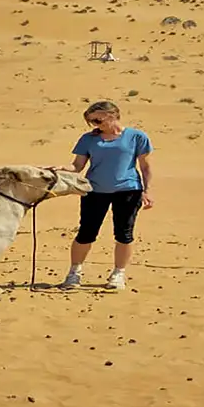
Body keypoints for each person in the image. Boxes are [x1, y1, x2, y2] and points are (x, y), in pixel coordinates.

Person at [47, 100, 153, 291]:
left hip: (128, 190)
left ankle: (118, 274)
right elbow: (77, 166)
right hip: (95, 190)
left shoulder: (136, 136)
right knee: (86, 232)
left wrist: (147, 191)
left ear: (111, 115)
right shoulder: (88, 139)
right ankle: (74, 273)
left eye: (97, 120)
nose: (94, 125)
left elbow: (145, 166)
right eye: (91, 122)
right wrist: (62, 168)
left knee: (124, 233)